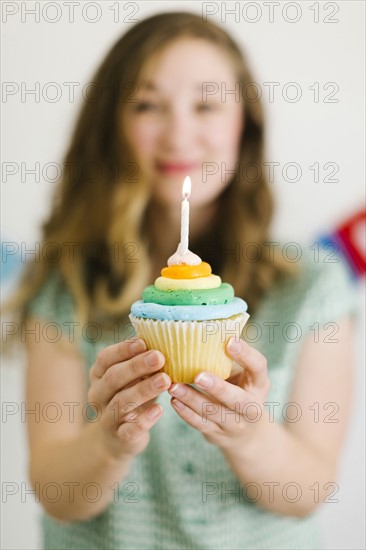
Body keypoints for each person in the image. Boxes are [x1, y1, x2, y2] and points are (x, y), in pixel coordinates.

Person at [5, 11, 358, 550]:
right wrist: (110, 439)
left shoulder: (312, 286)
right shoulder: (66, 284)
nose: (178, 134)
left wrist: (249, 435)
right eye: (147, 105)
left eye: (206, 104)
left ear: (246, 125)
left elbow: (308, 489)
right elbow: (56, 491)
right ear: (111, 126)